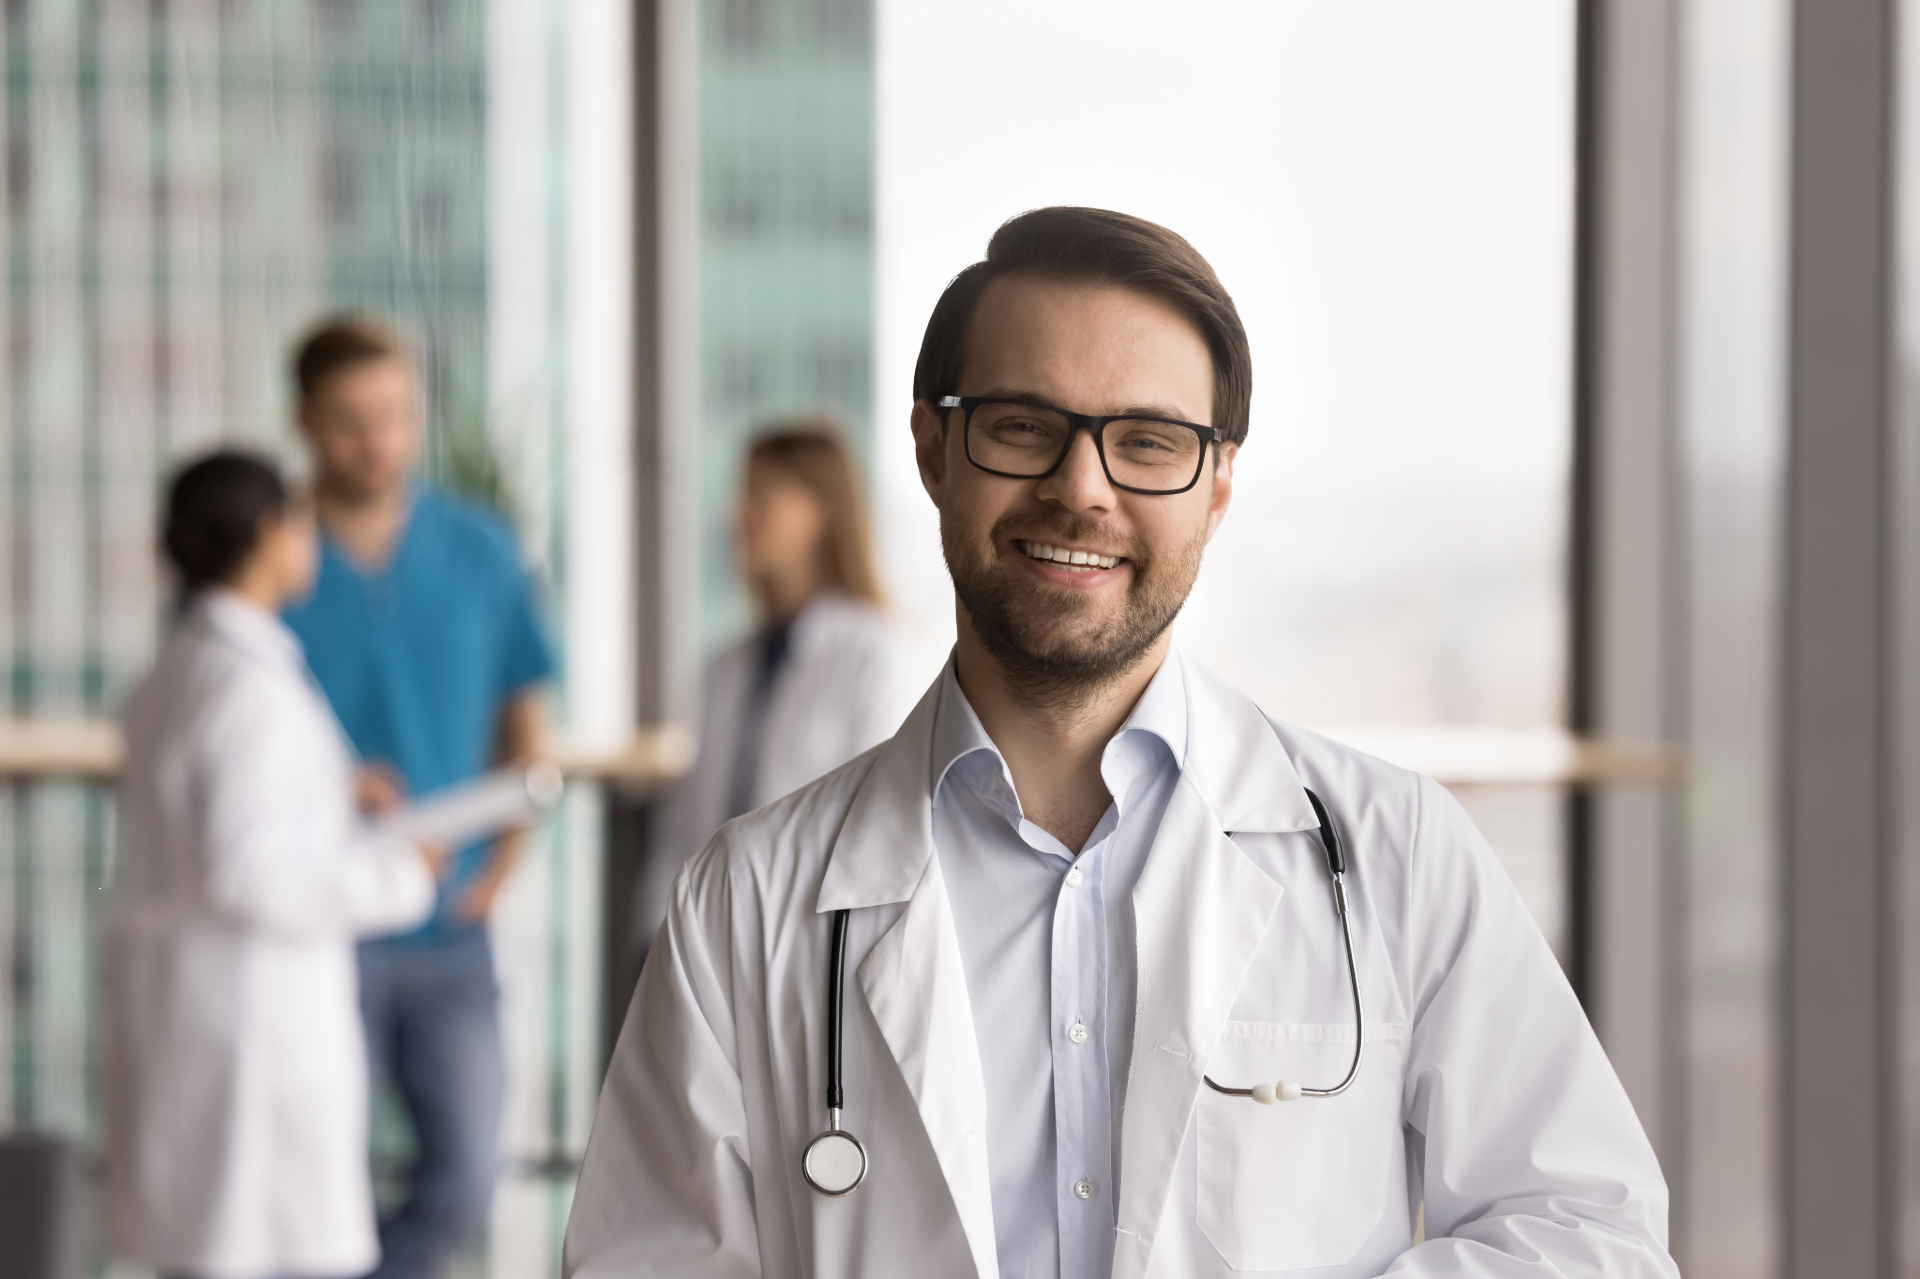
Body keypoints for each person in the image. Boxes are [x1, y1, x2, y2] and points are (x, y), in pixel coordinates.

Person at [563, 207, 1679, 1279]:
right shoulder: (745, 901)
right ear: (932, 448)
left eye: (1148, 441)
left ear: (1220, 483)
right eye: (1022, 427)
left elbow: (1589, 1229)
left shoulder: (1394, 849)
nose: (1080, 488)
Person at [110, 451, 437, 1279]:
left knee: (215, 1246)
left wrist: (335, 792)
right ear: (269, 533)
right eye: (300, 523)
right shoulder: (243, 686)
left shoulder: (187, 667)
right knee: (252, 1249)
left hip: (204, 1010)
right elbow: (245, 872)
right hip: (249, 1022)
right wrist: (401, 877)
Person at [282, 315, 556, 1279]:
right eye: (353, 421)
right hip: (319, 929)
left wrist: (500, 875)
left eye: (396, 415)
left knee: (467, 1176)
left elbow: (530, 732)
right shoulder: (276, 556)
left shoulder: (479, 548)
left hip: (451, 924)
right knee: (316, 1185)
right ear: (306, 422)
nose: (379, 442)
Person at [637, 424, 910, 950]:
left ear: (820, 513)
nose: (736, 516)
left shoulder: (872, 656)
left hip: (806, 952)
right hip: (703, 950)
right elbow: (684, 830)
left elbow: (876, 828)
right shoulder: (726, 665)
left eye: (759, 496)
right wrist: (655, 938)